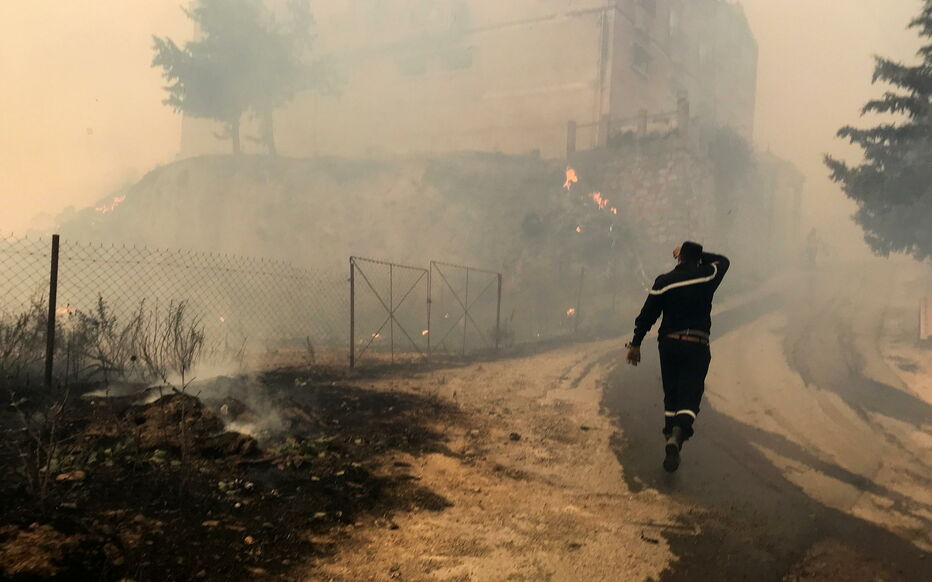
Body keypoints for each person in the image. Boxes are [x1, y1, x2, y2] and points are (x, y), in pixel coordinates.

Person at [625, 241, 730, 472]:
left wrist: (636, 343)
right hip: (697, 343)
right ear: (699, 258)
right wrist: (701, 255)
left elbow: (647, 314)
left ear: (679, 258)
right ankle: (678, 435)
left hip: (669, 344)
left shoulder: (664, 282)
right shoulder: (707, 276)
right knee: (690, 394)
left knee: (671, 393)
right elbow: (723, 261)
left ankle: (670, 434)